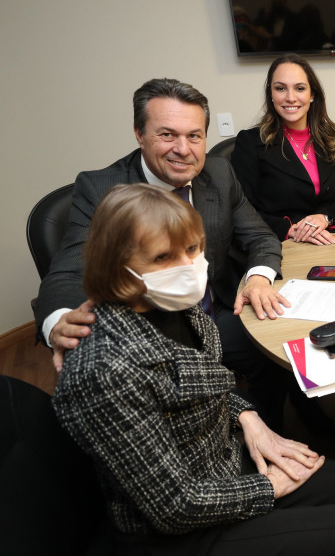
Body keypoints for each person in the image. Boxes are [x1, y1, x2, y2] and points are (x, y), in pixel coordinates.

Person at [52, 184, 335, 555]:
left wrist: (249, 418)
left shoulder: (175, 307)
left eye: (193, 249)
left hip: (218, 460)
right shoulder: (103, 369)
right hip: (175, 528)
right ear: (119, 267)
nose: (187, 267)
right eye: (163, 257)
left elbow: (204, 385)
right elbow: (173, 506)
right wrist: (268, 486)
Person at [33, 78, 296, 433]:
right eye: (167, 135)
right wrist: (61, 324)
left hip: (214, 314)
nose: (183, 150)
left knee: (277, 351)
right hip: (150, 330)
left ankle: (268, 432)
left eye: (194, 136)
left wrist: (259, 278)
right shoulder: (102, 189)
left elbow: (260, 236)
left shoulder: (217, 172)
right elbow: (65, 274)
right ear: (139, 134)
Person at [232, 54, 335, 245]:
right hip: (278, 243)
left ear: (312, 94)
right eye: (280, 88)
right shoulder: (250, 142)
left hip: (332, 239)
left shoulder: (332, 138)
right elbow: (242, 210)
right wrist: (291, 230)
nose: (290, 98)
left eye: (300, 88)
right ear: (271, 94)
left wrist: (324, 218)